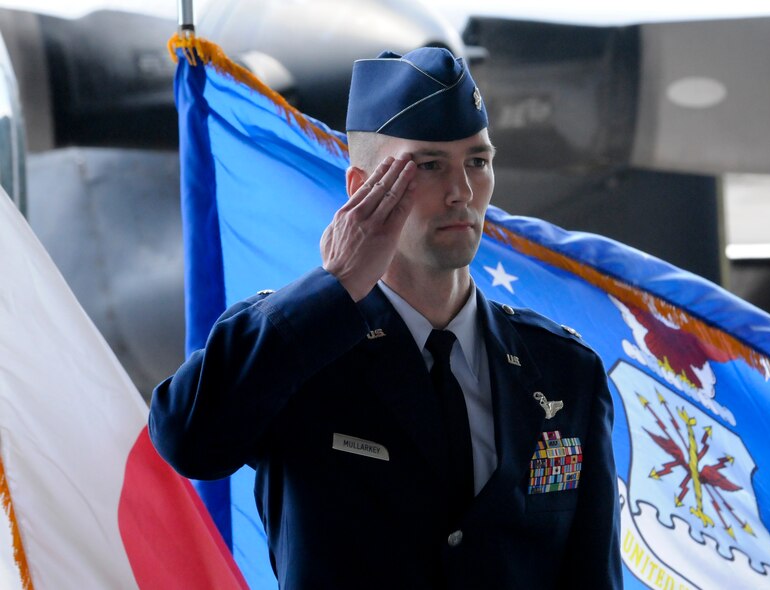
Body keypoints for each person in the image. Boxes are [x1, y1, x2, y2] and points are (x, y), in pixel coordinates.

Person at [150, 46, 621, 589]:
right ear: (359, 188)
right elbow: (188, 439)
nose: (461, 193)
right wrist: (336, 286)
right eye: (428, 166)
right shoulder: (301, 348)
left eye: (478, 162)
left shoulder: (563, 370)